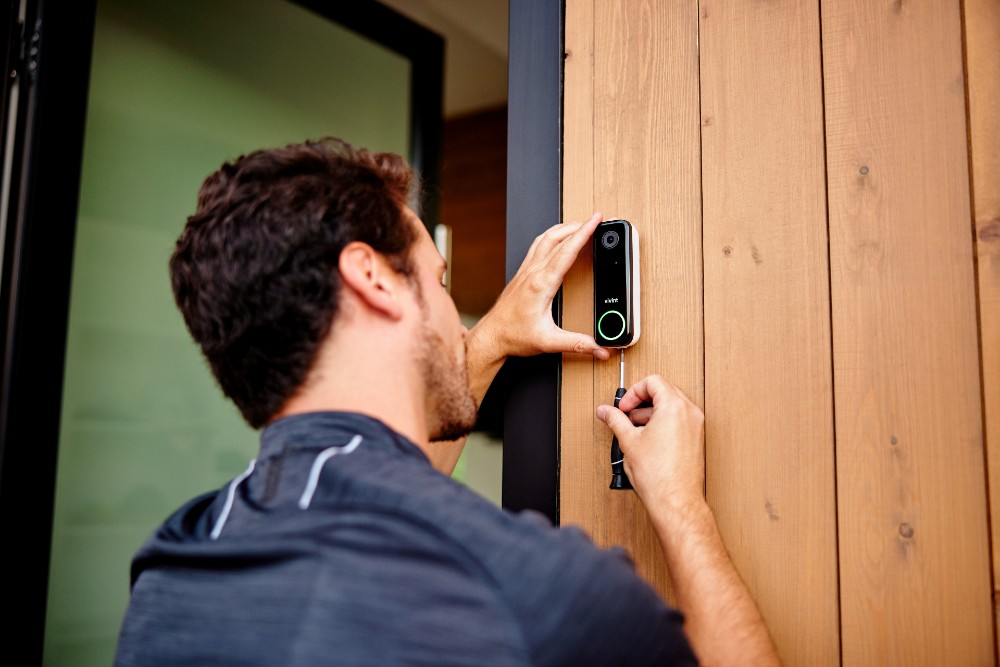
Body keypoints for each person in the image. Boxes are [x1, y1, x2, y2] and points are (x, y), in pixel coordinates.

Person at [114, 138, 779, 666]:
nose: (455, 315)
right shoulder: (532, 588)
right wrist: (681, 504)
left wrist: (489, 342)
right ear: (372, 276)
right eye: (440, 279)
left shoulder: (173, 567)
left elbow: (376, 497)